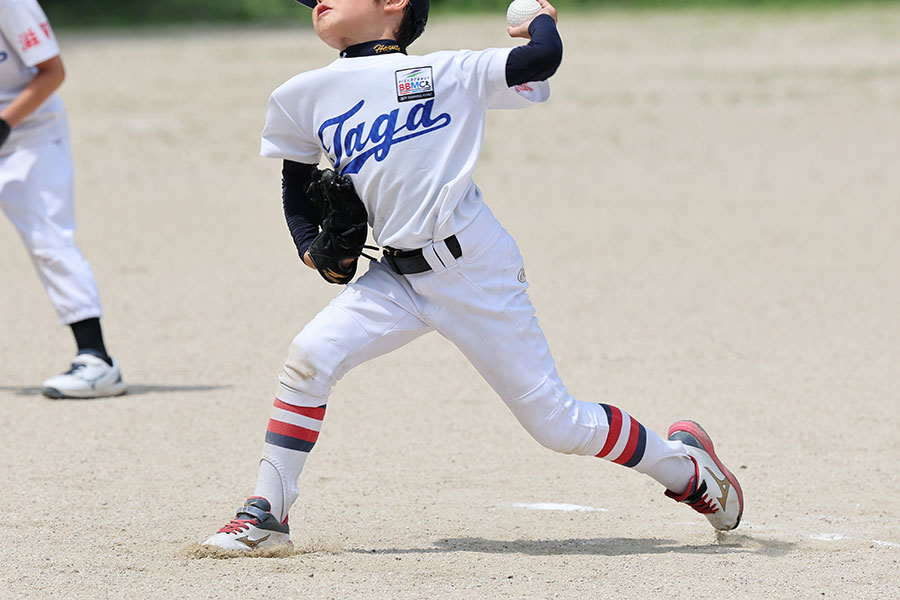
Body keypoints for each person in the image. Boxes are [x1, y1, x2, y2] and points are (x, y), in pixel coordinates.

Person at [202, 0, 742, 552]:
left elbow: (541, 59)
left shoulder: (446, 73)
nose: (320, 0)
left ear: (394, 3)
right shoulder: (301, 94)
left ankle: (689, 471)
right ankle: (268, 513)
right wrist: (311, 250)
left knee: (558, 425)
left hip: (475, 269)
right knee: (309, 356)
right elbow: (297, 184)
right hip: (395, 276)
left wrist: (539, 22)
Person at [1, 0, 125, 399]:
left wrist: (4, 125)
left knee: (48, 240)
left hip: (29, 134)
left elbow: (52, 72)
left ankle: (97, 360)